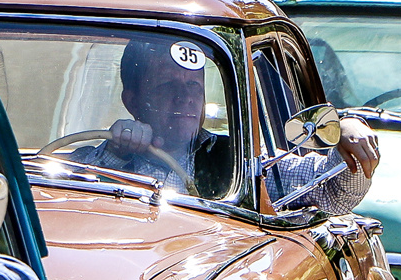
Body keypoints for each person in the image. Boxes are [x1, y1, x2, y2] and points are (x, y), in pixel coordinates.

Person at [77, 37, 381, 214]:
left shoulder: (241, 166)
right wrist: (116, 154)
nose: (184, 98)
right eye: (167, 86)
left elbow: (335, 195)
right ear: (132, 101)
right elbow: (67, 210)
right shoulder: (98, 161)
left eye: (194, 86)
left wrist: (348, 130)